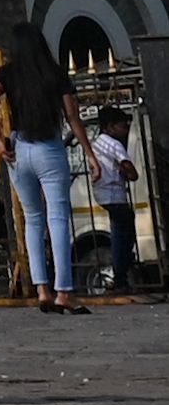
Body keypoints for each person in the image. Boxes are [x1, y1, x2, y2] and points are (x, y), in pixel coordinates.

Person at [0, 21, 87, 312]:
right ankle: (64, 291)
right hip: (48, 147)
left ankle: (42, 289)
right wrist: (91, 154)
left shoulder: (8, 73)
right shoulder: (55, 74)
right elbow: (72, 116)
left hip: (19, 150)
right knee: (57, 218)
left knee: (33, 219)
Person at [88, 107, 143, 296]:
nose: (126, 129)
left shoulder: (96, 144)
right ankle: (120, 278)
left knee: (121, 233)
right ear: (110, 127)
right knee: (123, 236)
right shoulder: (114, 145)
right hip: (114, 195)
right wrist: (126, 172)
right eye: (122, 125)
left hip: (103, 195)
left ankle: (122, 273)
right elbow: (132, 172)